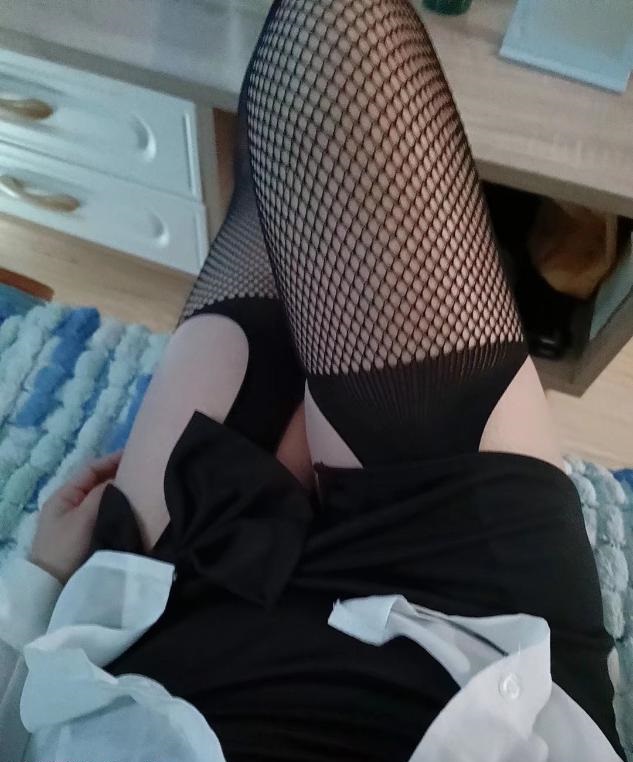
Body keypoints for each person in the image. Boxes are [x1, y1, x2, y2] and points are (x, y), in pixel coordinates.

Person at [0, 1, 624, 760]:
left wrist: (38, 581)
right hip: (483, 649)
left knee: (290, 161)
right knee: (340, 47)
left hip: (166, 631)